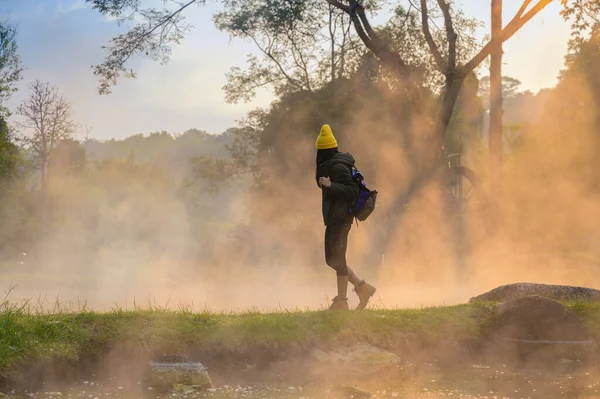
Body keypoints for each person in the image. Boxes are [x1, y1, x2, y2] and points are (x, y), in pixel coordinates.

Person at [315, 124, 377, 310]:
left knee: (337, 259)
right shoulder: (333, 164)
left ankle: (342, 301)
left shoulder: (338, 166)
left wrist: (330, 185)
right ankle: (362, 288)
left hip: (342, 219)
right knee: (332, 259)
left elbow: (352, 190)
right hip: (336, 217)